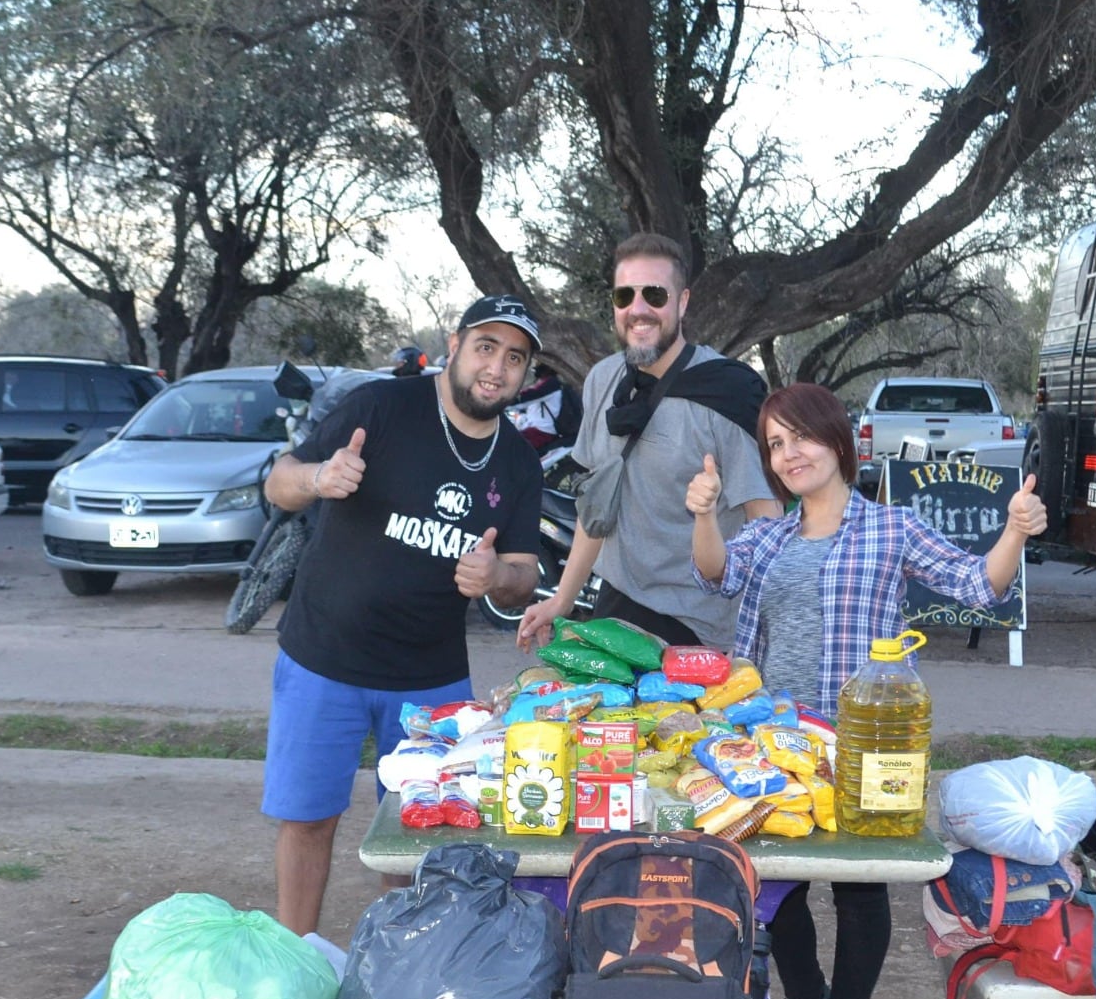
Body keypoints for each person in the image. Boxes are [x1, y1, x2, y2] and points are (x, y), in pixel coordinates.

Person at [687, 381, 1047, 999]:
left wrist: (1014, 531)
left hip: (863, 739)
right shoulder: (766, 536)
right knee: (779, 886)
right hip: (774, 740)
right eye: (775, 444)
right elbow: (716, 574)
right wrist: (704, 515)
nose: (789, 453)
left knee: (858, 887)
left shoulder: (891, 527)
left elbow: (979, 584)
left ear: (837, 440)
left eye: (800, 436)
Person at [260, 294, 546, 934]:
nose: (496, 367)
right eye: (485, 347)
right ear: (456, 343)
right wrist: (318, 480)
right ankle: (294, 961)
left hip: (430, 677)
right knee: (309, 819)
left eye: (514, 358)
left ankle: (396, 973)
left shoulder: (518, 462)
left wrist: (498, 577)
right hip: (324, 657)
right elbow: (280, 479)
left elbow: (523, 577)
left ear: (526, 374)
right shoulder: (382, 407)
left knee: (416, 836)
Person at [516, 232, 780, 651]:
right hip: (617, 608)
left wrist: (770, 632)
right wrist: (561, 601)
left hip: (699, 628)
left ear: (683, 302)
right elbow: (596, 506)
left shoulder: (730, 393)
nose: (638, 309)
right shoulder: (603, 380)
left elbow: (766, 520)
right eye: (625, 296)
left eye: (654, 294)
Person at [508, 362, 582, 452]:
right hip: (537, 428)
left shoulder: (550, 384)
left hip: (542, 431)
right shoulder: (555, 383)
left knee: (508, 448)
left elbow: (523, 399)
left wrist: (498, 403)